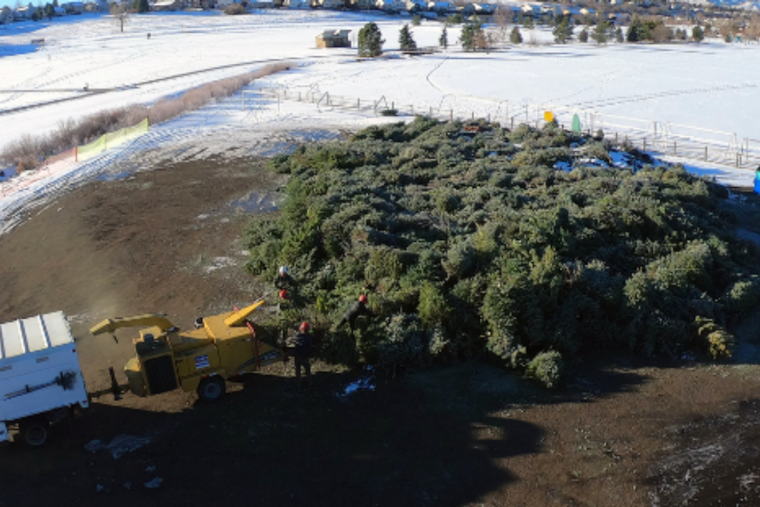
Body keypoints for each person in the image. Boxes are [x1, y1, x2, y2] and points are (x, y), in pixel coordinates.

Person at [289, 322, 313, 389]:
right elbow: (310, 346)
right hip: (305, 357)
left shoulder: (297, 335)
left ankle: (298, 384)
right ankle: (310, 384)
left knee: (298, 371)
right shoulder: (308, 337)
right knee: (308, 371)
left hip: (297, 356)